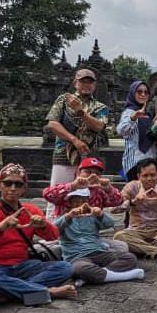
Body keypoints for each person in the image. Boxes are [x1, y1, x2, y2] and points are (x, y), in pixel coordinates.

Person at [0, 164, 76, 308]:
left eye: (18, 184)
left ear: (24, 188)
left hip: (22, 266)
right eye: (7, 183)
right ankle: (46, 293)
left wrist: (43, 225)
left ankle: (6, 294)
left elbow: (53, 236)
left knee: (65, 267)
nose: (12, 188)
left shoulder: (30, 211)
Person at [44, 68, 109, 219]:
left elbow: (99, 126)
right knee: (57, 193)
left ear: (94, 85)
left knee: (87, 195)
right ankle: (52, 227)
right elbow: (52, 123)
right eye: (82, 81)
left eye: (90, 82)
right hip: (63, 153)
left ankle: (85, 226)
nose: (86, 85)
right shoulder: (63, 100)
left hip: (88, 157)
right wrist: (74, 140)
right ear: (75, 83)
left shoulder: (100, 107)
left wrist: (81, 112)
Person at [55, 188, 144, 285]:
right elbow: (53, 230)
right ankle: (123, 276)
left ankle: (93, 276)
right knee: (79, 269)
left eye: (84, 201)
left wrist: (100, 214)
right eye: (76, 201)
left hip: (99, 252)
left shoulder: (92, 216)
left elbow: (110, 224)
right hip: (77, 256)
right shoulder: (64, 218)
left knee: (130, 258)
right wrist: (69, 216)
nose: (80, 204)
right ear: (69, 203)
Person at [113, 158, 157, 259]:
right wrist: (133, 202)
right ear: (138, 176)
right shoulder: (131, 186)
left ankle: (140, 248)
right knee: (118, 236)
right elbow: (115, 209)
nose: (149, 179)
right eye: (145, 176)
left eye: (153, 175)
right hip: (136, 231)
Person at [43, 157, 123, 221]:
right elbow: (47, 194)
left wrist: (109, 189)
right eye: (88, 172)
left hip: (89, 231)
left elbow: (118, 202)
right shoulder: (68, 188)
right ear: (78, 172)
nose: (93, 176)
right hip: (64, 231)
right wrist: (72, 186)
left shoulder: (99, 192)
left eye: (97, 173)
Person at [117, 80, 157, 182]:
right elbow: (121, 131)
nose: (143, 94)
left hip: (150, 161)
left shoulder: (148, 113)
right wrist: (133, 117)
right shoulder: (129, 112)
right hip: (134, 162)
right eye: (139, 92)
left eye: (146, 92)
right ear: (133, 93)